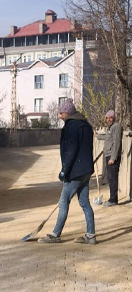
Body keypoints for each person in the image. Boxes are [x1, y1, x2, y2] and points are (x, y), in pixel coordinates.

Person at [40, 99, 96, 244]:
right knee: (84, 203)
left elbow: (71, 150)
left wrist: (65, 170)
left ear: (68, 112)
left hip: (75, 172)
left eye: (61, 113)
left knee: (63, 201)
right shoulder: (86, 126)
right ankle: (91, 236)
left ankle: (55, 234)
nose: (59, 116)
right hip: (86, 171)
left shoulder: (71, 126)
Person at [103, 110, 122, 207]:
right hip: (108, 155)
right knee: (110, 178)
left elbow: (117, 143)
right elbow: (108, 138)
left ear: (114, 118)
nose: (108, 119)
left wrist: (113, 158)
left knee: (113, 178)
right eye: (107, 118)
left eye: (110, 117)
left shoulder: (116, 127)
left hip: (112, 157)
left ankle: (113, 200)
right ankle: (112, 198)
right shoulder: (110, 128)